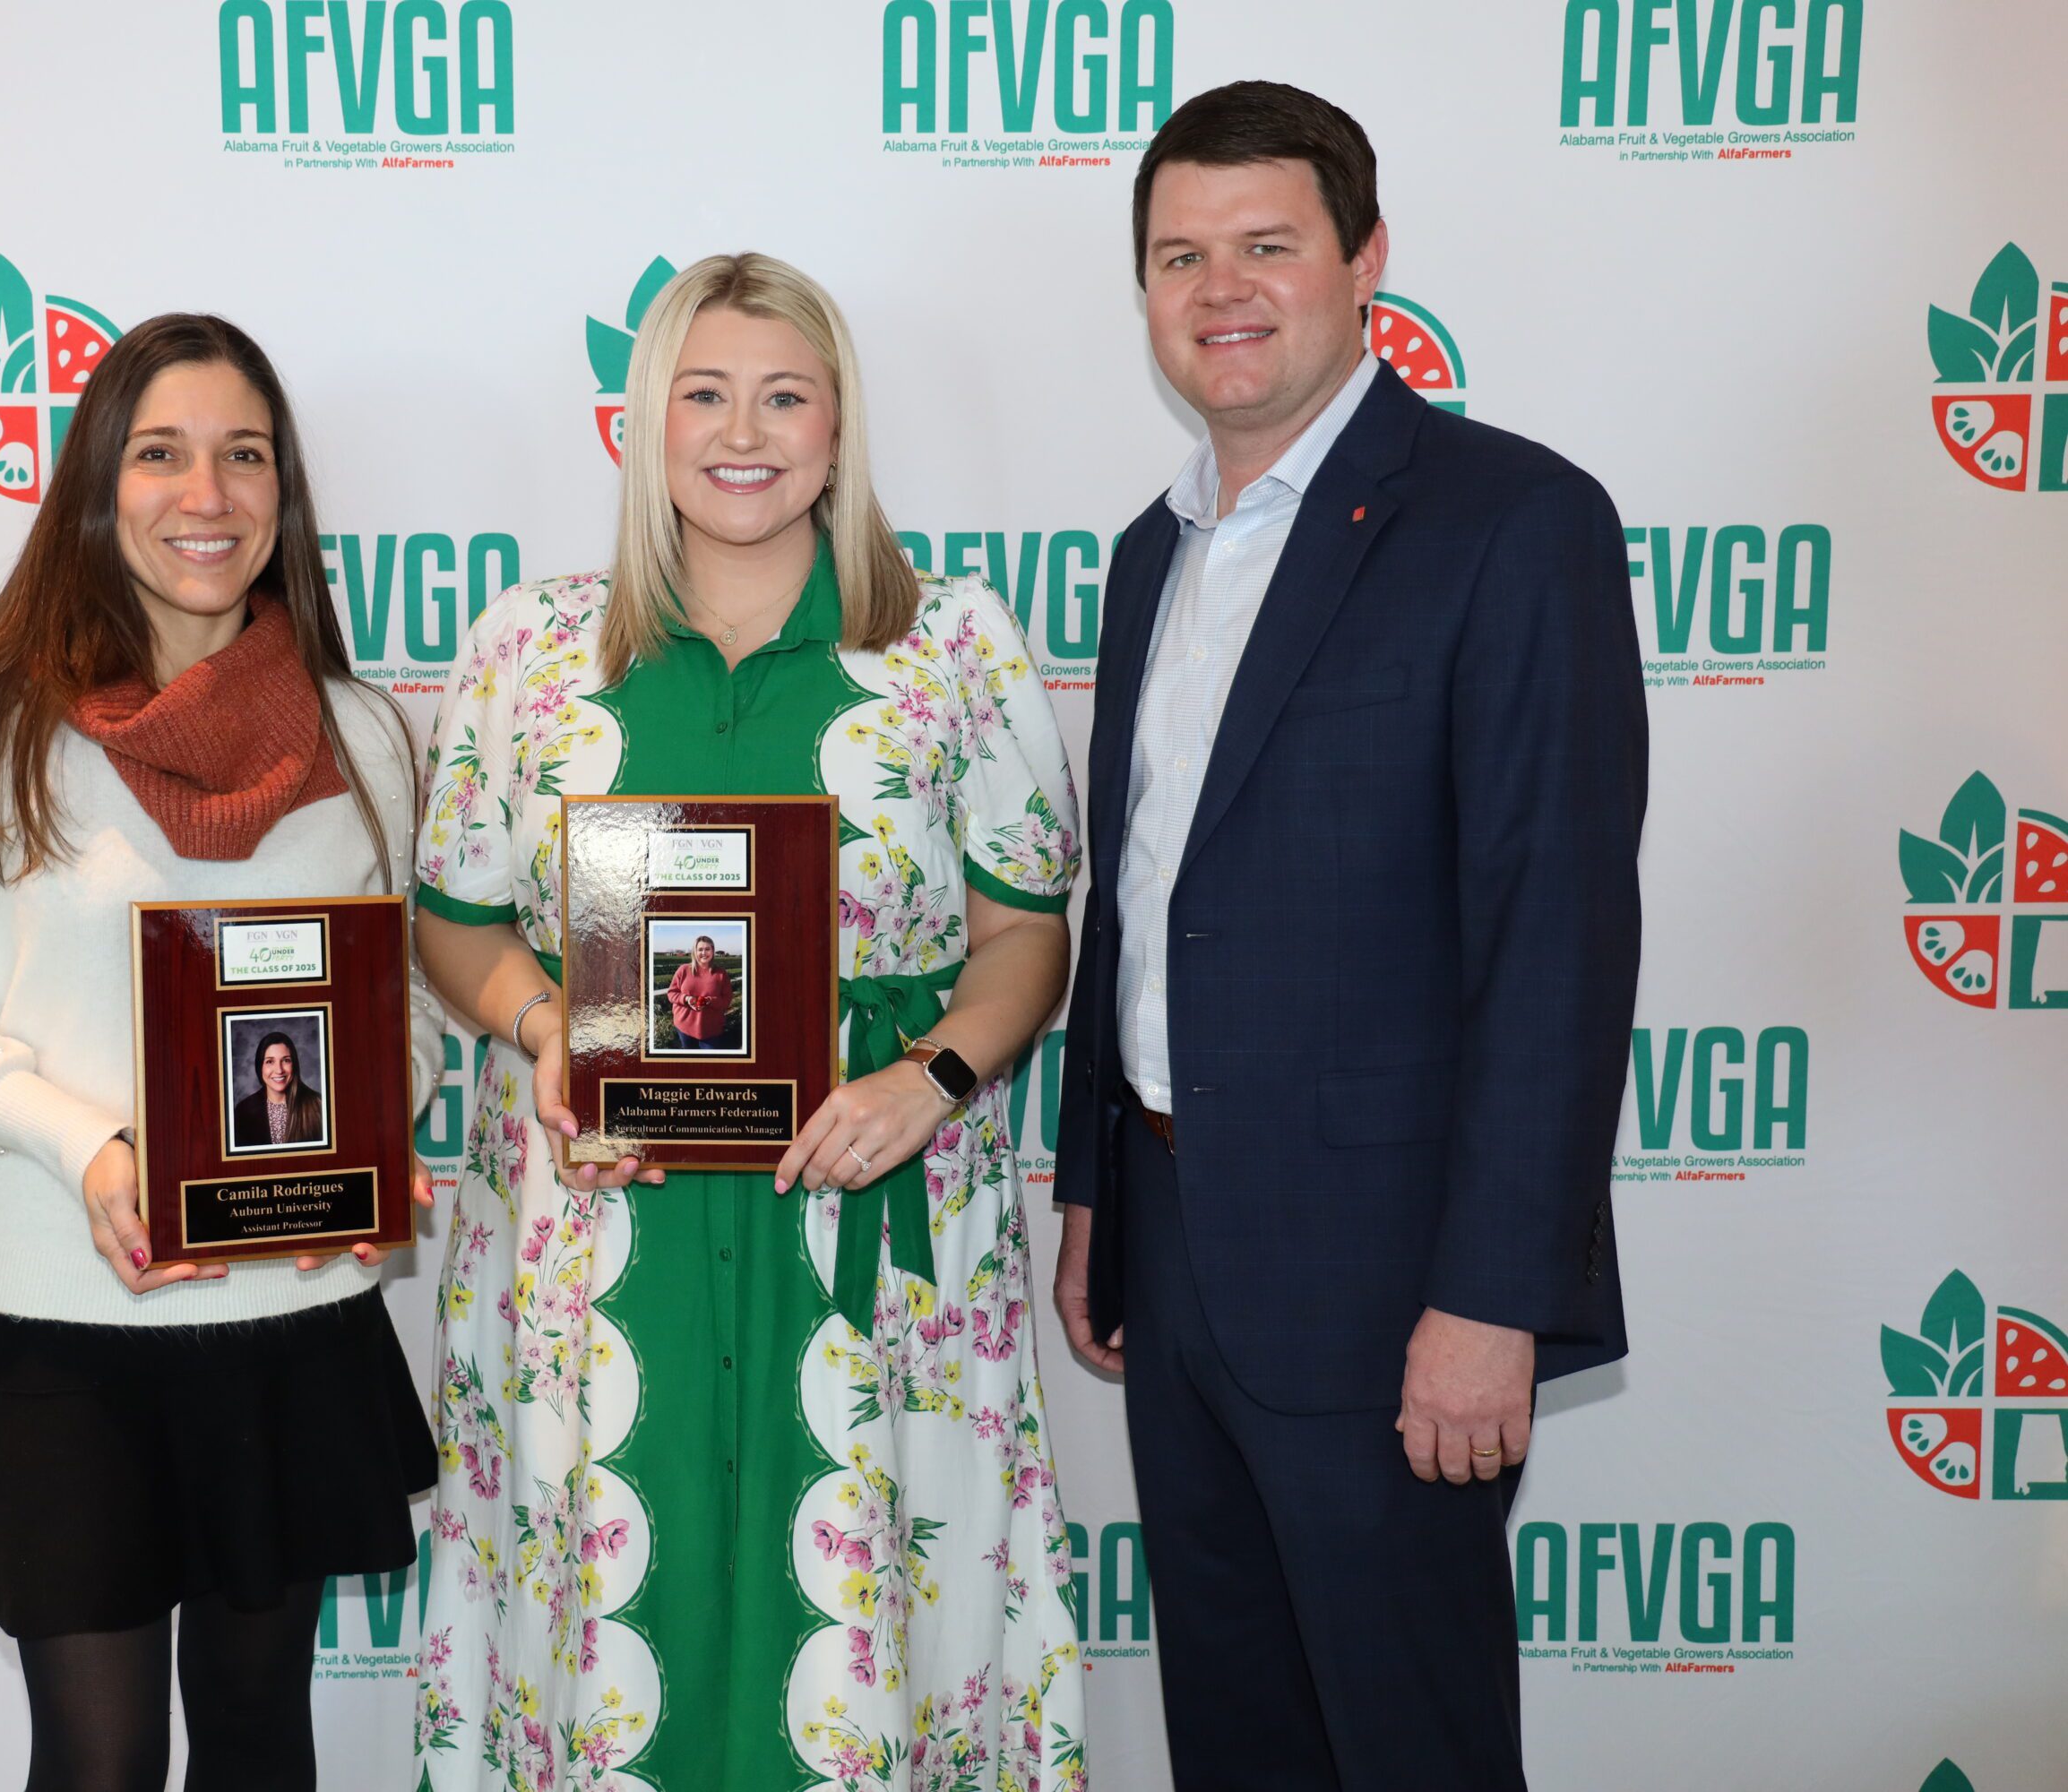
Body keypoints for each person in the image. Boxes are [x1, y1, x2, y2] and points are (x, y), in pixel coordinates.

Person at [409, 253, 1088, 1789]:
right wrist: (544, 1025)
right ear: (646, 423)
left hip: (873, 1207)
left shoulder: (956, 645)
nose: (743, 432)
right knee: (605, 1615)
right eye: (704, 394)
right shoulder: (530, 648)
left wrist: (932, 1075)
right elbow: (455, 920)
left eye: (785, 396)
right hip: (600, 1225)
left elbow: (1026, 936)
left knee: (865, 1621)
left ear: (838, 427)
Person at [1049, 82, 1649, 1790]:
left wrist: (1490, 1300)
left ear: (1366, 259)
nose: (1221, 289)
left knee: (1409, 1748)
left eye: (1268, 245)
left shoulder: (1512, 521)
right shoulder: (1149, 555)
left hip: (1393, 1283)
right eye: (1180, 255)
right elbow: (1143, 897)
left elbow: (1556, 939)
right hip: (1175, 1249)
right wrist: (1097, 1194)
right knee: (1239, 1741)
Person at [0, 313, 443, 1792]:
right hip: (73, 1331)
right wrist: (84, 1144)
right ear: (100, 486)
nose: (207, 494)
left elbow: (403, 1007)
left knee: (258, 1739)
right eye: (162, 453)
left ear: (286, 492)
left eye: (246, 456)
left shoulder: (364, 735)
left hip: (293, 1323)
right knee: (96, 1765)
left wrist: (363, 1134)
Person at [234, 1030, 323, 1146]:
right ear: (260, 1067)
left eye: (286, 1060)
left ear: (294, 1065)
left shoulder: (319, 1104)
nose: (279, 1070)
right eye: (270, 1061)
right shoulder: (244, 1111)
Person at [662, 933, 738, 1051]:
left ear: (713, 951)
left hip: (711, 1030)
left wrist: (709, 1001)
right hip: (684, 1026)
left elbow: (726, 1000)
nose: (704, 953)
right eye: (700, 949)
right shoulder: (683, 970)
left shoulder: (721, 974)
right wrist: (686, 999)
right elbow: (671, 993)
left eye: (707, 949)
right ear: (695, 952)